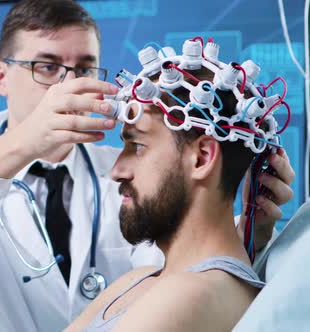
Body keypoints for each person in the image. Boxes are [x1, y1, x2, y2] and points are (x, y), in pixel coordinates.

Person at [0, 1, 294, 331]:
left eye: (84, 68)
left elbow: (182, 258)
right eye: (47, 67)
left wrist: (248, 234)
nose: (68, 84)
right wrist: (24, 141)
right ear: (0, 77)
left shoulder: (126, 173)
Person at [66, 56, 290, 331]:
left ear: (202, 158)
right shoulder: (139, 280)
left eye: (137, 146)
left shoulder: (194, 295)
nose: (116, 171)